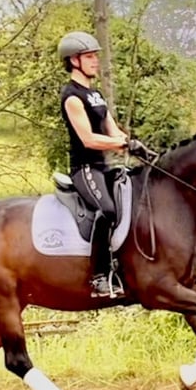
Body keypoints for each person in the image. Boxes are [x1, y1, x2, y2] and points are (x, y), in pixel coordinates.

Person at [57, 30, 149, 298]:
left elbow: (112, 130)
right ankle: (97, 277)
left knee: (131, 203)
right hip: (85, 168)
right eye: (89, 56)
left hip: (104, 166)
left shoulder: (95, 95)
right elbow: (88, 139)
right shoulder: (72, 96)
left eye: (96, 56)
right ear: (74, 61)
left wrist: (134, 144)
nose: (96, 61)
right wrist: (121, 144)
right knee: (107, 210)